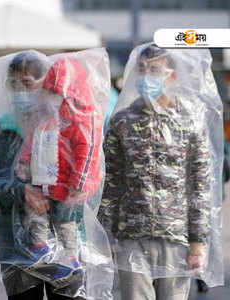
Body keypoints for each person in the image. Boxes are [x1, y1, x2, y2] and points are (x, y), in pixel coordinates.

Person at [0, 51, 112, 300]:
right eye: (14, 85)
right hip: (17, 252)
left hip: (68, 251)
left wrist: (67, 195)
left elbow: (94, 185)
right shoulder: (1, 128)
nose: (21, 92)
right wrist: (21, 191)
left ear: (46, 84)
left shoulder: (71, 125)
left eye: (27, 84)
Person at [98, 44, 220, 300]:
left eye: (154, 70)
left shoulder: (190, 121)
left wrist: (199, 242)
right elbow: (111, 183)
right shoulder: (123, 121)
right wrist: (105, 235)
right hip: (131, 235)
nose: (146, 77)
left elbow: (199, 186)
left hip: (176, 237)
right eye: (141, 70)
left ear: (171, 76)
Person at [15, 57, 104, 281]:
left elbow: (87, 151)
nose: (54, 99)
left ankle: (70, 256)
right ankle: (41, 246)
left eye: (58, 94)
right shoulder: (45, 118)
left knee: (66, 223)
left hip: (68, 189)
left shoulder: (82, 119)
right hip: (46, 183)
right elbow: (33, 143)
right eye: (51, 93)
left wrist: (79, 183)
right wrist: (24, 163)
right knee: (36, 214)